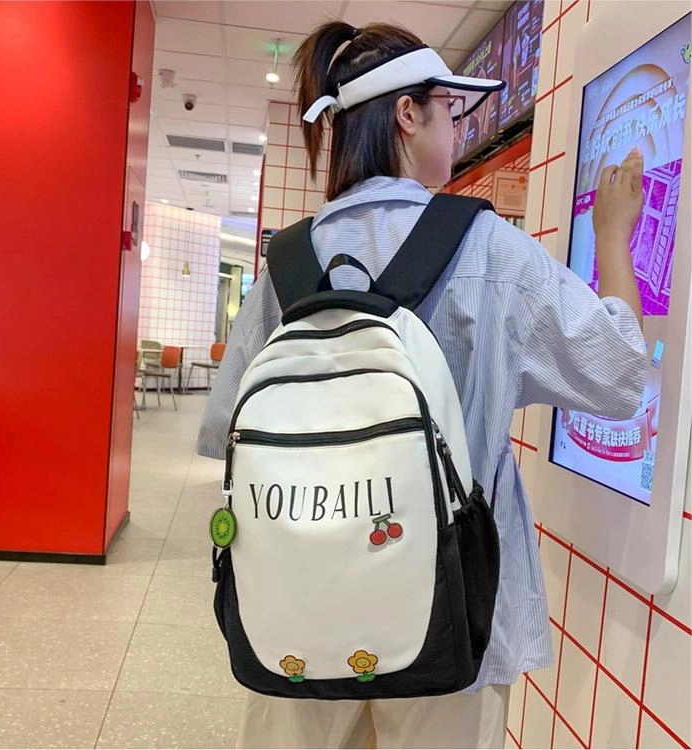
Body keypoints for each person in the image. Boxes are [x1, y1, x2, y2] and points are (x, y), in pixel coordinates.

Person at [197, 21, 646, 750]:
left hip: (298, 608)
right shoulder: (490, 250)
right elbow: (619, 375)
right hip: (451, 614)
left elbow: (226, 432)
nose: (457, 130)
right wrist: (613, 238)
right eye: (450, 109)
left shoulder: (289, 263)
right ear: (408, 113)